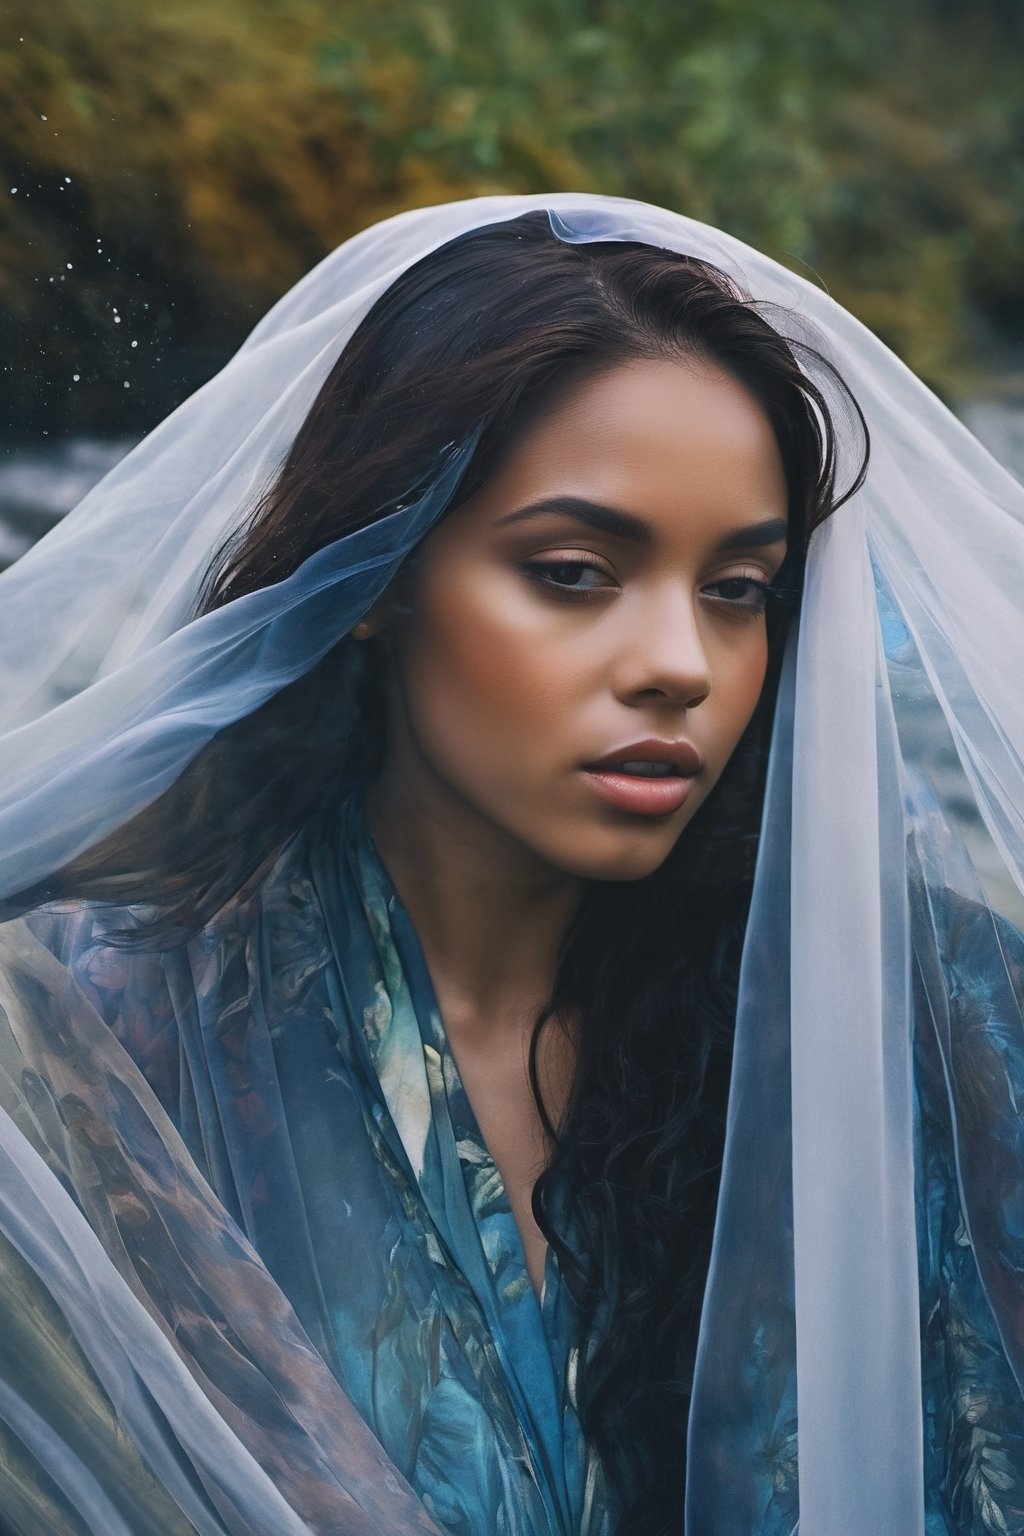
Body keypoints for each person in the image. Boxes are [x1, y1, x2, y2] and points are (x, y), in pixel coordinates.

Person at [0, 195, 1021, 1536]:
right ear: (372, 575)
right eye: (575, 571)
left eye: (739, 591)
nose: (680, 664)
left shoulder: (936, 1023)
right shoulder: (87, 1040)